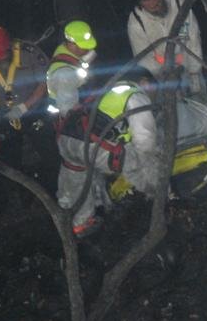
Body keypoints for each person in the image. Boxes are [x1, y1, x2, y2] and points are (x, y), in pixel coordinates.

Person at [55, 80, 162, 235]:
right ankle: (160, 201)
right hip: (92, 146)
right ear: (145, 82)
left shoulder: (109, 88)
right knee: (140, 166)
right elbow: (145, 140)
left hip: (68, 140)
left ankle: (79, 224)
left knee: (75, 180)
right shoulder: (135, 96)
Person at [0, 25, 58, 181]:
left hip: (35, 111)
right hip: (5, 116)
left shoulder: (29, 53)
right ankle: (17, 191)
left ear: (8, 46)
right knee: (9, 161)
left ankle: (53, 186)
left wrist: (25, 107)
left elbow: (44, 82)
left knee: (49, 154)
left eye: (1, 56)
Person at [126, 0, 207, 106]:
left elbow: (194, 37)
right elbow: (143, 56)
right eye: (147, 0)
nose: (154, 3)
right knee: (175, 112)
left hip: (189, 67)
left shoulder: (179, 4)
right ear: (141, 5)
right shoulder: (136, 22)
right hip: (162, 76)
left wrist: (194, 71)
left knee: (201, 104)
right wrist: (164, 75)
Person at [45, 20, 99, 119]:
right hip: (63, 121)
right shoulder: (65, 74)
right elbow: (69, 113)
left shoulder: (64, 49)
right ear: (71, 45)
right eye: (84, 47)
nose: (88, 50)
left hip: (80, 94)